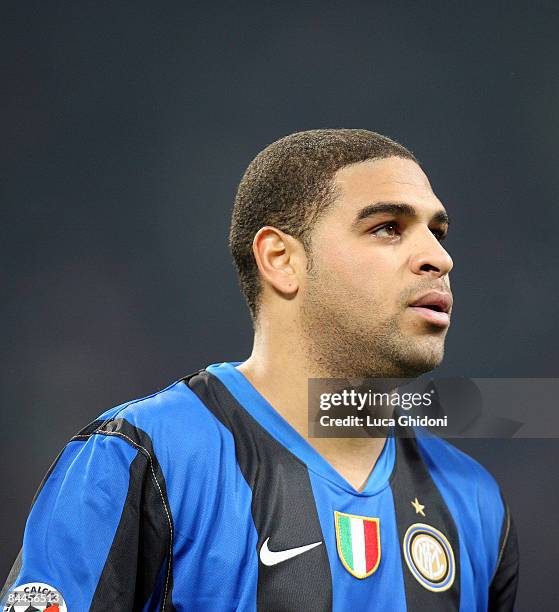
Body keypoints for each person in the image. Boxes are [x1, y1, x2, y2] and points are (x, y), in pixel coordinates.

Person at [1, 129, 518, 611]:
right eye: (387, 228)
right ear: (280, 259)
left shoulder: (473, 501)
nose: (438, 258)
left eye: (439, 232)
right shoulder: (139, 459)